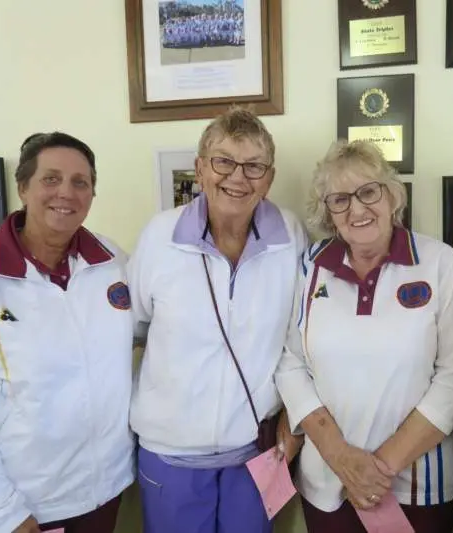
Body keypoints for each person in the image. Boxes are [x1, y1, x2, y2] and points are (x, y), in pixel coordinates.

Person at [0, 132, 135, 533]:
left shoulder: (112, 263)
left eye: (80, 182)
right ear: (22, 187)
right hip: (23, 507)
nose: (66, 192)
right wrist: (1, 516)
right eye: (51, 179)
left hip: (104, 491)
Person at [128, 107, 307, 533]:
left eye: (254, 166)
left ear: (269, 177)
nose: (237, 177)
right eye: (223, 161)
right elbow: (133, 327)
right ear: (200, 169)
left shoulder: (291, 235)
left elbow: (300, 337)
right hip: (171, 452)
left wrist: (295, 419)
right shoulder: (160, 236)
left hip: (256, 450)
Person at [275, 140, 453, 533]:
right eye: (340, 199)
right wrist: (341, 458)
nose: (357, 209)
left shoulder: (438, 262)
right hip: (327, 482)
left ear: (392, 195)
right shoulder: (309, 266)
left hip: (417, 487)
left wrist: (377, 470)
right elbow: (290, 363)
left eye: (368, 192)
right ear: (328, 212)